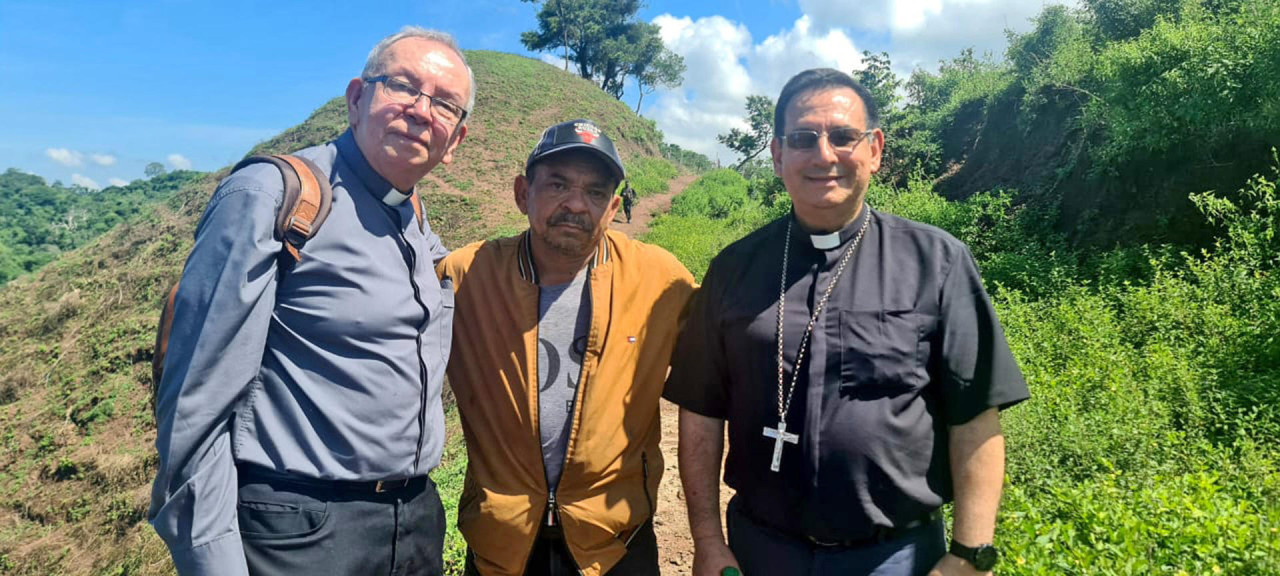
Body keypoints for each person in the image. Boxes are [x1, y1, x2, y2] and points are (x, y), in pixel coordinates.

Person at [666, 68, 1029, 576]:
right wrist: (706, 540)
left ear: (875, 149)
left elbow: (975, 414)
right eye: (802, 139)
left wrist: (970, 555)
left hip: (895, 557)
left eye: (842, 137)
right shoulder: (733, 268)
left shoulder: (937, 262)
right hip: (760, 550)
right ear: (777, 156)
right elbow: (701, 412)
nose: (823, 155)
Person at [149, 27, 475, 576]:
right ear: (356, 98)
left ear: (455, 142)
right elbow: (194, 405)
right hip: (302, 532)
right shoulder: (274, 197)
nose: (422, 111)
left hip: (413, 524)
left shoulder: (415, 220)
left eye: (444, 104)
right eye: (402, 86)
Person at [438, 119, 696, 576]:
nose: (576, 204)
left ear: (613, 207)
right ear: (523, 193)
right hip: (502, 542)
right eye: (558, 184)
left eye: (596, 193)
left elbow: (723, 366)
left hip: (616, 542)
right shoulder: (465, 277)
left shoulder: (660, 280)